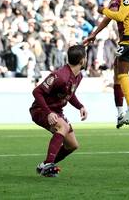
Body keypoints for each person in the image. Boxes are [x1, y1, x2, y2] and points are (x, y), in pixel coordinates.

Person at [30, 45, 88, 177]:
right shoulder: (59, 76)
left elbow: (69, 94)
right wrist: (48, 112)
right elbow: (37, 91)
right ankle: (49, 164)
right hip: (41, 109)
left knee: (72, 145)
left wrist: (80, 106)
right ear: (82, 60)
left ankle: (44, 165)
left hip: (57, 111)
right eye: (85, 57)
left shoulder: (78, 76)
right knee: (63, 126)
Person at [84, 0, 126, 128]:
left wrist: (102, 10)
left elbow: (111, 15)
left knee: (118, 74)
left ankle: (123, 112)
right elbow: (108, 20)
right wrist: (94, 33)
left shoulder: (117, 0)